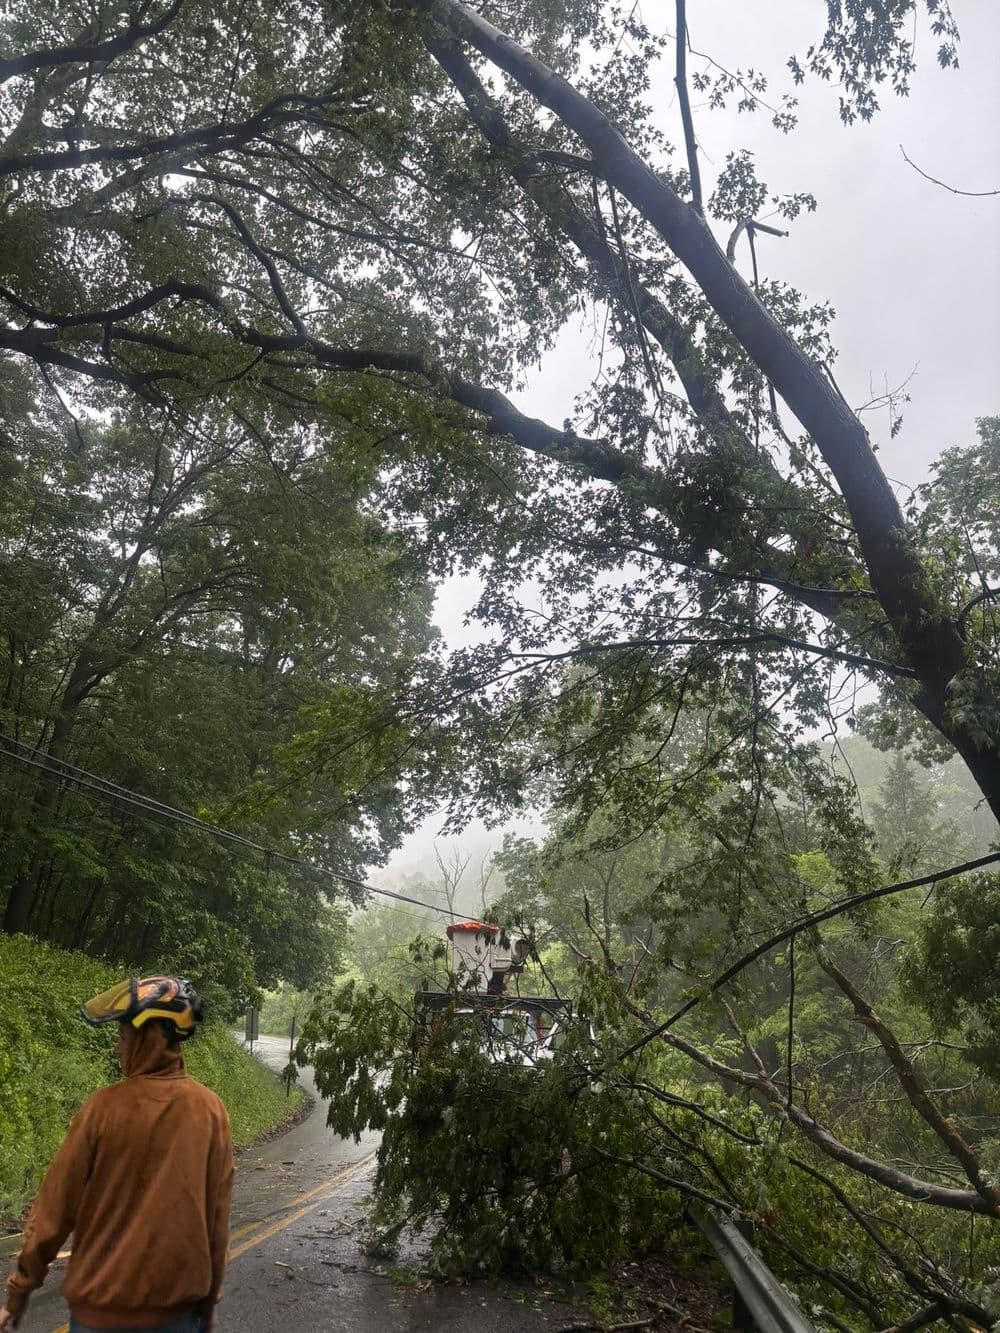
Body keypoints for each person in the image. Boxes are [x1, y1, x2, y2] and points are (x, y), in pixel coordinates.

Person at [0, 976, 234, 1333]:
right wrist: (210, 1301)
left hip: (99, 1314)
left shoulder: (102, 1109)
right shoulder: (210, 1111)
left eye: (123, 1037)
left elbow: (53, 1209)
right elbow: (217, 1219)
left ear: (149, 1037)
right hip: (179, 1314)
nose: (117, 1048)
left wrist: (19, 1293)